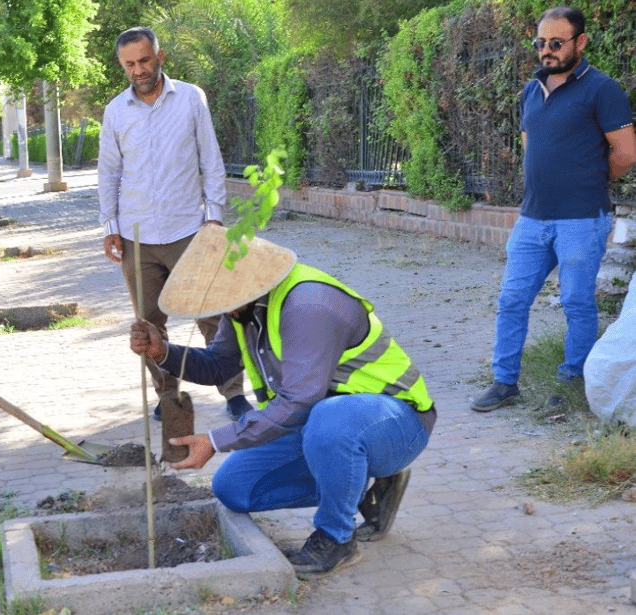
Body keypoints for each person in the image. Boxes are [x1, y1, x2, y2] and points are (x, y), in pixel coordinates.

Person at [129, 225, 436, 578]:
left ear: (245, 282)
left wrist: (215, 440)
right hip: (322, 425)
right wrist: (163, 352)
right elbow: (219, 365)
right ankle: (362, 486)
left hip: (397, 422)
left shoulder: (308, 305)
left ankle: (337, 537)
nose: (214, 309)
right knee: (234, 488)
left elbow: (298, 402)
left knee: (329, 420)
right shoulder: (242, 307)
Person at [472, 5, 636, 412]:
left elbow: (626, 153)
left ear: (580, 41)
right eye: (540, 43)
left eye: (557, 43)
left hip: (582, 218)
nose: (547, 50)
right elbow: (530, 146)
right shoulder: (531, 90)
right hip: (532, 219)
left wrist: (590, 181)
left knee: (577, 303)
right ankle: (505, 382)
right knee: (512, 300)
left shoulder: (602, 89)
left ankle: (572, 382)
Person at [98, 26, 251, 421]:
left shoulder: (191, 98)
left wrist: (214, 217)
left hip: (190, 231)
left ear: (160, 56)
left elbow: (210, 159)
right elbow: (109, 172)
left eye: (144, 60)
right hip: (136, 236)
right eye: (129, 64)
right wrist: (110, 226)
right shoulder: (115, 112)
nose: (138, 70)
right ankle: (167, 395)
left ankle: (234, 393)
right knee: (148, 324)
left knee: (213, 315)